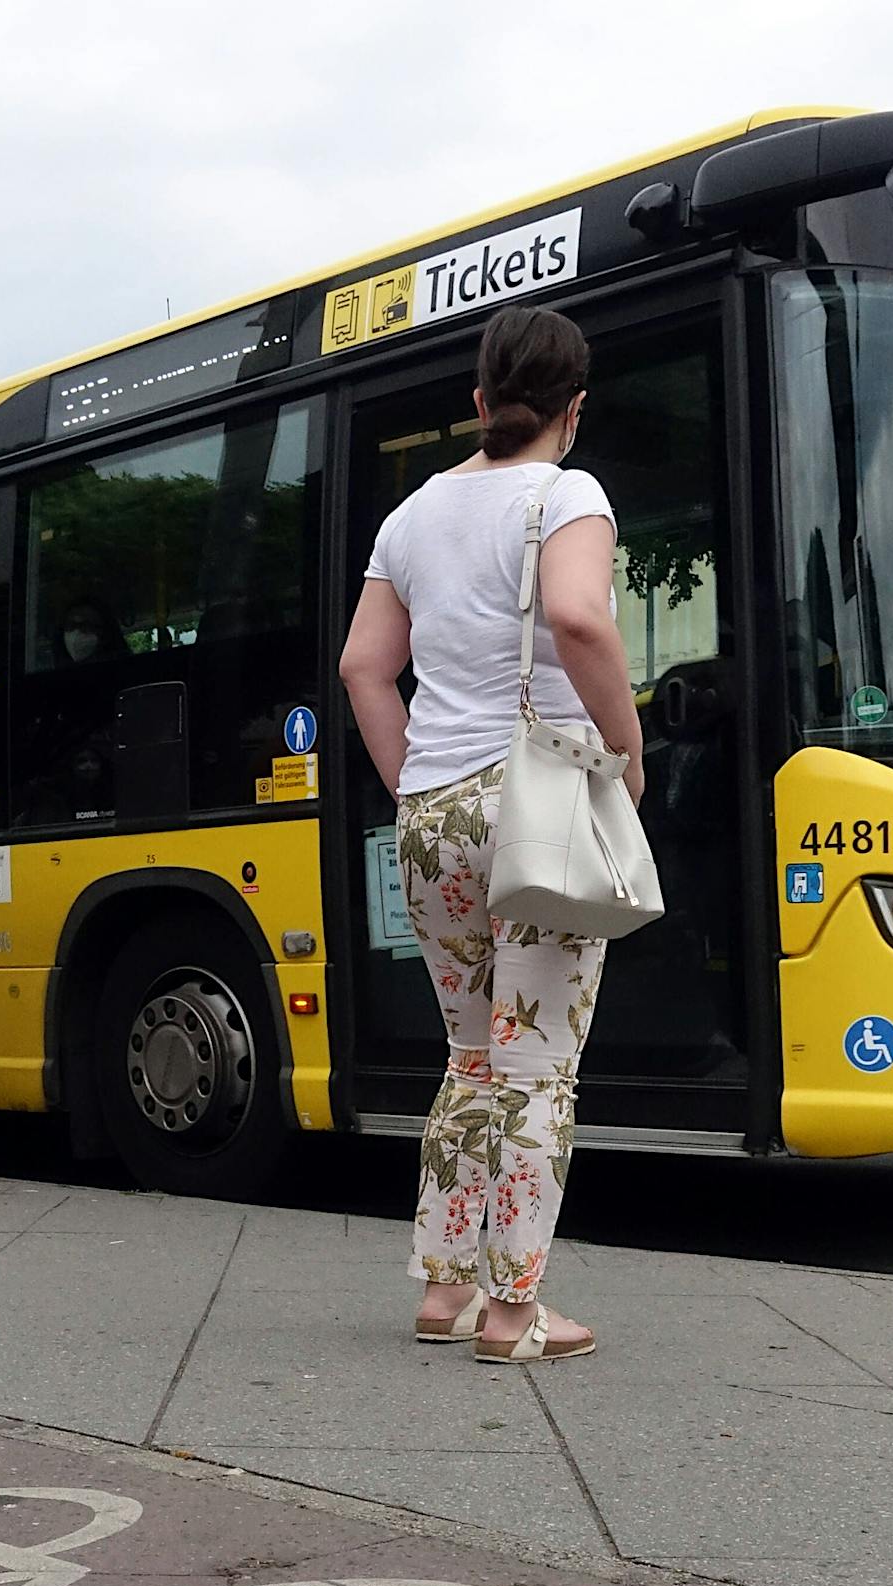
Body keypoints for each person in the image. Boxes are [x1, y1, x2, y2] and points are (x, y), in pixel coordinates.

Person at [339, 305, 644, 1364]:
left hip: (432, 810)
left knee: (470, 1054)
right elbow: (576, 617)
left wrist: (413, 779)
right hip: (536, 806)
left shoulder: (410, 514)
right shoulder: (568, 493)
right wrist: (627, 749)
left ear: (477, 402)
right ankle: (513, 1311)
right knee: (535, 1064)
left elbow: (362, 668)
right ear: (573, 406)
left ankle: (443, 1289)